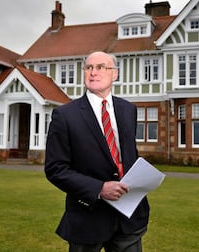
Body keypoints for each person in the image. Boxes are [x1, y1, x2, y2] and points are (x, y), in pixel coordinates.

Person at [45, 51, 149, 251]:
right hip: (88, 219)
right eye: (89, 67)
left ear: (115, 74)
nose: (93, 72)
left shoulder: (128, 110)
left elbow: (127, 156)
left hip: (129, 219)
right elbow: (55, 169)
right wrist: (99, 188)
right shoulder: (65, 115)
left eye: (101, 67)